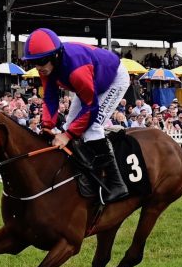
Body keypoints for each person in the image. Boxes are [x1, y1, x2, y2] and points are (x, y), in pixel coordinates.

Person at [22, 28, 130, 202]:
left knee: (91, 127)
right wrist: (47, 126)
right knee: (70, 126)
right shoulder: (47, 68)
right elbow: (50, 98)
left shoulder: (76, 70)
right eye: (33, 62)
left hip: (113, 78)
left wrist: (68, 135)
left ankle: (117, 184)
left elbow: (91, 107)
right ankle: (82, 170)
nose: (38, 67)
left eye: (41, 61)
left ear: (56, 56)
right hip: (92, 80)